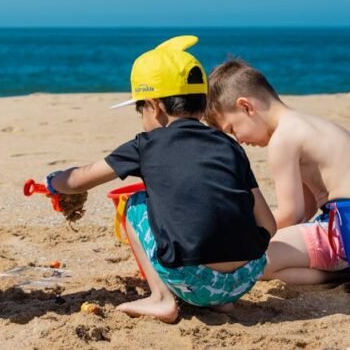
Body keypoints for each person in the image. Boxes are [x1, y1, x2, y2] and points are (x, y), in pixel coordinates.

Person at [45, 37, 276, 322]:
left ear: (154, 106)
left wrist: (54, 182)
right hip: (246, 276)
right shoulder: (230, 146)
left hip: (193, 278)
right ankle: (220, 302)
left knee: (135, 203)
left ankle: (162, 299)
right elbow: (268, 224)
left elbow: (80, 179)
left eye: (140, 109)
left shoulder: (147, 145)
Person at [206, 58, 350, 285]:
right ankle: (347, 272)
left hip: (349, 234)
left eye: (232, 129)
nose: (239, 140)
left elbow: (290, 213)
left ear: (246, 107)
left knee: (252, 263)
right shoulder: (306, 124)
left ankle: (344, 275)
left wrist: (248, 236)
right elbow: (307, 206)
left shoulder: (283, 140)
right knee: (270, 253)